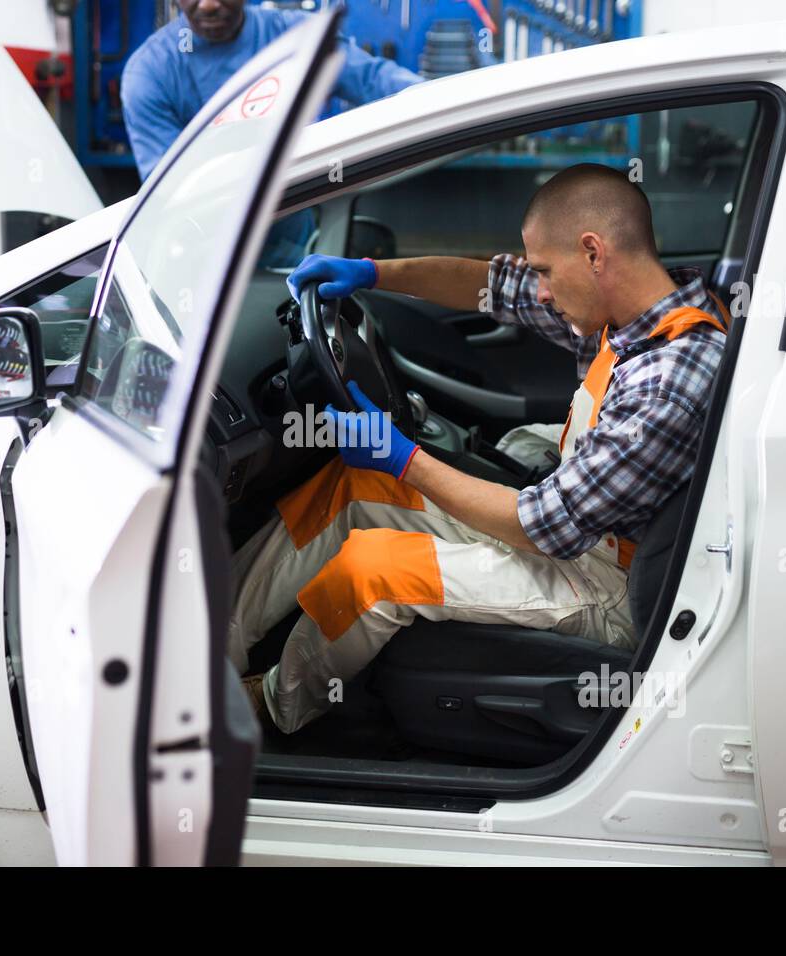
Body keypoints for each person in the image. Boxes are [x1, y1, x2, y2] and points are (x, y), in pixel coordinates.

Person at [230, 163, 730, 734]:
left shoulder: (669, 378)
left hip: (609, 586)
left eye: (545, 270)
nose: (538, 287)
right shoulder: (632, 311)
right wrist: (369, 272)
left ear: (594, 252)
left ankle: (271, 708)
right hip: (578, 535)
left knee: (375, 568)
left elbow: (541, 526)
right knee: (352, 488)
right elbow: (491, 287)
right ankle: (211, 647)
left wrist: (404, 459)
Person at [121, 0, 421, 181]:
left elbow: (375, 80)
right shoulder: (150, 72)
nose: (209, 4)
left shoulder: (299, 38)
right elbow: (166, 188)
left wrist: (450, 100)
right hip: (202, 255)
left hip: (295, 245)